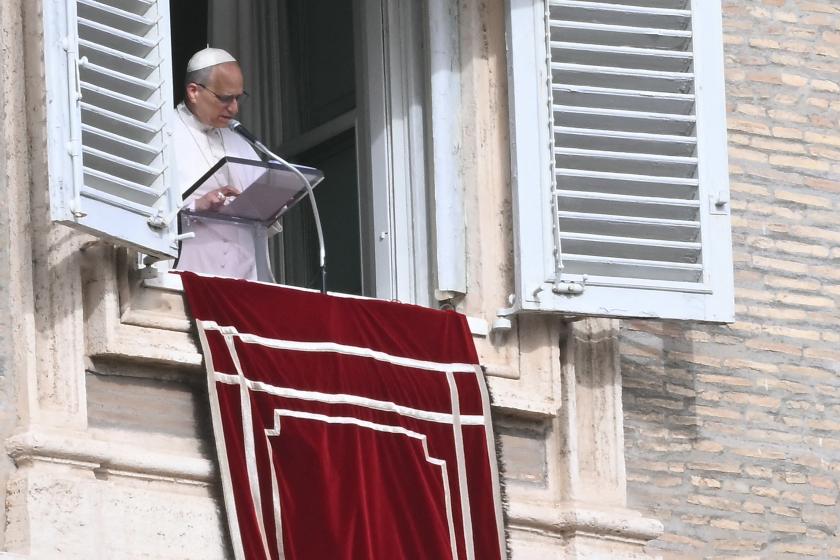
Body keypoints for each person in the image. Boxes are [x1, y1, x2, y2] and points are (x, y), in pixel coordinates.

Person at [172, 47, 264, 280]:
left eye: (238, 97)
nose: (234, 108)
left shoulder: (241, 141)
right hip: (188, 274)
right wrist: (196, 206)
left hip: (242, 278)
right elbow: (146, 217)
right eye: (225, 98)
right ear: (193, 91)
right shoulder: (164, 134)